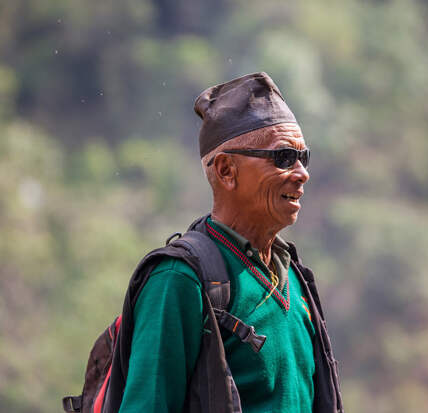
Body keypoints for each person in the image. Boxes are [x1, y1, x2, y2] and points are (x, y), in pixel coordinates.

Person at [117, 72, 343, 413]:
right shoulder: (179, 280)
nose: (301, 173)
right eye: (283, 157)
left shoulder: (296, 282)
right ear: (226, 171)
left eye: (303, 157)